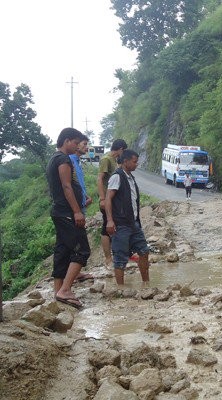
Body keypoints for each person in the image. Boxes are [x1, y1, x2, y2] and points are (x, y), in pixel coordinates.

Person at [46, 128, 90, 309]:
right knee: (82, 250)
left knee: (63, 250)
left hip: (60, 211)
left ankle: (58, 292)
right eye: (75, 142)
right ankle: (65, 290)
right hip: (67, 212)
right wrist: (77, 211)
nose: (77, 146)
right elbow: (66, 186)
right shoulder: (63, 160)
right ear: (66, 141)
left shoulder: (53, 159)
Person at [104, 150, 151, 286]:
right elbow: (108, 199)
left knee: (144, 251)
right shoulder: (117, 177)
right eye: (134, 161)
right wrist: (110, 220)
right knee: (119, 258)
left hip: (133, 223)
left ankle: (146, 284)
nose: (137, 164)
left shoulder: (130, 177)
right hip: (120, 224)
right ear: (125, 162)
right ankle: (120, 289)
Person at [97, 139, 128, 268]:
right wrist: (103, 199)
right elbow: (100, 179)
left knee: (115, 226)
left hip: (115, 200)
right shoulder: (106, 159)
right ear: (120, 149)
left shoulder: (114, 161)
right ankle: (108, 258)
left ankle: (118, 255)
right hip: (107, 199)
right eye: (124, 151)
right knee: (106, 228)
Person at [69, 135, 94, 283]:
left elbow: (78, 185)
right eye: (84, 144)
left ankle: (77, 273)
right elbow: (69, 186)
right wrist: (78, 207)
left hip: (80, 206)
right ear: (76, 145)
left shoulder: (77, 162)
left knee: (76, 243)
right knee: (79, 245)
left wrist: (84, 197)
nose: (86, 147)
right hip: (75, 210)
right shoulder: (70, 161)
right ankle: (68, 282)